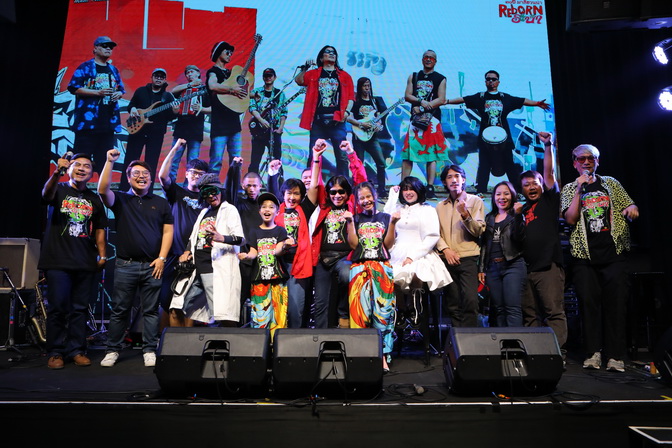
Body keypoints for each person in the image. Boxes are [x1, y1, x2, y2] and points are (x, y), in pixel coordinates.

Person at [560, 144, 639, 372]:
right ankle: (593, 353)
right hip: (584, 256)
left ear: (597, 161)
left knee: (616, 305)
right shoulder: (569, 188)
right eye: (581, 158)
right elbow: (570, 219)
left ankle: (615, 355)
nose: (586, 162)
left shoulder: (611, 183)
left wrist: (632, 209)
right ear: (574, 163)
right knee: (589, 305)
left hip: (613, 254)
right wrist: (579, 189)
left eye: (591, 158)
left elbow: (630, 204)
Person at [98, 149, 174, 368]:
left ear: (151, 178)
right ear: (128, 177)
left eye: (145, 174)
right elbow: (103, 190)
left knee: (151, 311)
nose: (141, 177)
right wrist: (109, 161)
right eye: (136, 174)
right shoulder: (121, 199)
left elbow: (168, 231)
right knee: (119, 310)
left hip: (153, 265)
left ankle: (149, 349)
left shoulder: (160, 202)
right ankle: (112, 349)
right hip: (126, 264)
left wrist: (162, 258)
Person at [39, 153, 108, 369]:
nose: (81, 168)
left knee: (80, 309)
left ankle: (77, 350)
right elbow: (45, 195)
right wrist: (56, 173)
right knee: (58, 308)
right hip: (57, 260)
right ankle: (56, 352)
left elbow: (100, 229)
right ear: (69, 169)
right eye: (77, 165)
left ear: (91, 173)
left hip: (85, 261)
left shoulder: (94, 199)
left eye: (87, 166)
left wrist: (103, 254)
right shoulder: (58, 189)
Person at [447, 70, 549, 194]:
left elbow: (522, 101)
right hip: (485, 138)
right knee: (484, 164)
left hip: (504, 138)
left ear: (498, 82)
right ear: (485, 82)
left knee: (509, 164)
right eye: (488, 79)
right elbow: (463, 99)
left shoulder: (505, 98)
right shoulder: (480, 97)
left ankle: (518, 192)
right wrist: (447, 101)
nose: (491, 81)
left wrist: (537, 103)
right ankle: (481, 191)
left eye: (493, 79)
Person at [309, 139, 367, 329]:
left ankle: (343, 315)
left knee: (345, 274)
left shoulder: (352, 205)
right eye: (333, 192)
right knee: (320, 303)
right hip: (323, 259)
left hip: (345, 257)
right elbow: (316, 185)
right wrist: (316, 157)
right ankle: (319, 337)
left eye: (341, 192)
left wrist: (351, 153)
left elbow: (361, 180)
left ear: (348, 193)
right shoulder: (324, 206)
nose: (337, 195)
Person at [175, 173, 245, 327]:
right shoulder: (204, 212)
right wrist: (187, 251)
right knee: (182, 304)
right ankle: (184, 339)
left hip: (214, 267)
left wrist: (222, 238)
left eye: (214, 191)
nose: (211, 196)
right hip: (196, 267)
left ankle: (228, 339)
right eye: (207, 193)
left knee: (220, 313)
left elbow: (240, 239)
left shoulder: (229, 210)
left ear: (220, 191)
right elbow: (194, 236)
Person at [520, 132, 567, 349]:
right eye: (526, 185)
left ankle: (555, 354)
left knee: (553, 312)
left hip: (548, 266)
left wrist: (548, 146)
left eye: (535, 183)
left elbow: (549, 173)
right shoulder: (522, 210)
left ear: (541, 185)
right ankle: (535, 353)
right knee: (530, 314)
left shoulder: (549, 200)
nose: (531, 187)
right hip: (527, 269)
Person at [383, 177, 452, 324]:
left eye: (412, 189)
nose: (408, 192)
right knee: (392, 276)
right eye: (405, 189)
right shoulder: (399, 209)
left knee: (417, 272)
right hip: (397, 252)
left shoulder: (427, 210)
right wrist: (393, 196)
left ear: (418, 190)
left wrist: (412, 256)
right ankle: (401, 311)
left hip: (421, 252)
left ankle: (415, 309)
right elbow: (387, 216)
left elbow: (432, 236)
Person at [344, 182, 396, 372]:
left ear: (374, 196)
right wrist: (350, 223)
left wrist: (393, 223)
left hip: (382, 267)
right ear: (357, 201)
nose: (366, 201)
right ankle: (362, 354)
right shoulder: (355, 218)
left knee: (383, 313)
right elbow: (353, 245)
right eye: (361, 198)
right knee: (360, 313)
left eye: (368, 196)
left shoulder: (385, 217)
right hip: (359, 268)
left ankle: (382, 355)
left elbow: (388, 245)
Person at [158, 138, 209, 327]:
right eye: (193, 172)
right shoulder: (177, 193)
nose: (196, 176)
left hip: (198, 256)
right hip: (175, 254)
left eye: (201, 174)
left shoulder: (209, 199)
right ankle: (167, 341)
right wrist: (175, 148)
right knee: (168, 300)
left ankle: (188, 341)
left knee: (192, 303)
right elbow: (163, 176)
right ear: (186, 174)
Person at [267, 160, 319, 328]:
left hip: (298, 265)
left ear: (302, 196)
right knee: (277, 305)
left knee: (296, 308)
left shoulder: (305, 209)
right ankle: (276, 338)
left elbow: (314, 187)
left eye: (296, 193)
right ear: (283, 194)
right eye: (289, 193)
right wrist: (272, 173)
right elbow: (271, 191)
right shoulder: (276, 209)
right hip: (278, 264)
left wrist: (316, 158)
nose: (292, 197)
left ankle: (294, 339)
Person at [435, 164, 486, 327]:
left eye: (457, 176)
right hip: (447, 259)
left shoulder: (475, 201)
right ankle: (457, 338)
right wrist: (446, 250)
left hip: (468, 258)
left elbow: (478, 231)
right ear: (444, 182)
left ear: (463, 179)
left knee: (470, 301)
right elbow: (435, 234)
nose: (454, 180)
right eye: (449, 177)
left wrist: (465, 214)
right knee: (453, 303)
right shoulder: (440, 206)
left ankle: (470, 338)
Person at [67, 36, 125, 172]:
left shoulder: (113, 70)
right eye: (105, 46)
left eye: (111, 47)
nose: (108, 49)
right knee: (81, 159)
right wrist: (97, 93)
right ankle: (77, 185)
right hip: (87, 124)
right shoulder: (85, 67)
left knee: (104, 162)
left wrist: (119, 93)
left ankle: (101, 186)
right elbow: (73, 88)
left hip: (107, 124)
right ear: (95, 49)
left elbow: (121, 89)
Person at [296, 45, 355, 177]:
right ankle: (311, 183)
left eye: (333, 52)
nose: (331, 54)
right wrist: (305, 69)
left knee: (342, 156)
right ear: (321, 58)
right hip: (318, 121)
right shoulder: (314, 73)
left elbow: (351, 97)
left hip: (337, 121)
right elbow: (299, 81)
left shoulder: (344, 76)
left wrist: (346, 112)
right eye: (327, 52)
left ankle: (344, 184)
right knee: (314, 155)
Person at [238, 192, 289, 336]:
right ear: (259, 211)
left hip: (278, 280)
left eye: (271, 207)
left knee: (279, 318)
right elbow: (253, 252)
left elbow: (278, 251)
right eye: (264, 207)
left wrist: (285, 246)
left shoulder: (280, 230)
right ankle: (261, 345)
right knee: (260, 318)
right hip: (259, 281)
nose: (267, 210)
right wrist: (247, 256)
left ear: (277, 212)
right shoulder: (254, 231)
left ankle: (277, 346)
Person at [120, 68, 178, 192]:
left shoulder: (167, 97)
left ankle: (148, 192)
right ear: (152, 78)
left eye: (161, 77)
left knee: (151, 163)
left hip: (156, 133)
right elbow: (131, 105)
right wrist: (133, 109)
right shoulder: (141, 91)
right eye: (156, 76)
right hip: (137, 131)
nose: (159, 79)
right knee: (130, 160)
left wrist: (175, 111)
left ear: (165, 80)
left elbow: (170, 117)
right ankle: (124, 190)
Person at [478, 181, 526, 327]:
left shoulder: (517, 216)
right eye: (498, 194)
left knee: (512, 308)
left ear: (512, 196)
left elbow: (519, 238)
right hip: (492, 268)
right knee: (498, 309)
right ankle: (503, 340)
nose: (502, 197)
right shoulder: (489, 218)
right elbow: (484, 245)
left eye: (506, 194)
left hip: (513, 265)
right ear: (494, 197)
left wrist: (518, 216)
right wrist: (481, 269)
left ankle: (515, 341)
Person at [402, 50, 448, 199]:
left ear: (435, 61)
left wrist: (422, 108)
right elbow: (407, 95)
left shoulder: (440, 78)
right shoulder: (414, 76)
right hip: (415, 120)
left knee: (431, 154)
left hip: (432, 120)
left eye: (431, 58)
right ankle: (403, 185)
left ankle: (430, 187)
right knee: (408, 153)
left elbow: (441, 99)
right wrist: (420, 101)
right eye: (426, 57)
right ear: (422, 60)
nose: (428, 59)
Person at [224, 161, 264, 323]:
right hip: (243, 262)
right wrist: (234, 168)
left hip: (262, 261)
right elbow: (229, 190)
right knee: (237, 300)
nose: (252, 189)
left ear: (260, 186)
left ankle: (261, 332)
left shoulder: (265, 207)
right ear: (243, 186)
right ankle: (234, 332)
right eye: (248, 186)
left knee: (261, 303)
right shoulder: (238, 205)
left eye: (255, 186)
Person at [206, 41, 247, 177]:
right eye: (227, 52)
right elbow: (212, 85)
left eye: (231, 53)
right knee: (216, 162)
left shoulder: (231, 73)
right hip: (220, 125)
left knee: (236, 161)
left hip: (234, 124)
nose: (230, 55)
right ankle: (212, 187)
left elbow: (238, 91)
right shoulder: (213, 72)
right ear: (219, 53)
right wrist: (231, 89)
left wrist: (251, 95)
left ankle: (235, 188)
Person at [346, 77, 388, 198]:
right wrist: (361, 124)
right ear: (360, 87)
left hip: (372, 137)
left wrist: (379, 125)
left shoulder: (375, 101)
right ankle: (358, 189)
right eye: (364, 86)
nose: (367, 88)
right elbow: (348, 117)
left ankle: (381, 189)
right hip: (358, 137)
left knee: (381, 163)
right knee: (358, 164)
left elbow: (379, 117)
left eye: (368, 86)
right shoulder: (355, 101)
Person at [168, 65, 211, 181]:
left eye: (192, 72)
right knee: (174, 159)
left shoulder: (205, 90)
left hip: (195, 129)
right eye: (187, 73)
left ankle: (189, 186)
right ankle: (171, 185)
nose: (189, 74)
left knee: (193, 162)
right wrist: (190, 85)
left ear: (198, 74)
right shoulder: (183, 88)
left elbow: (214, 108)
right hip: (181, 128)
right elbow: (173, 91)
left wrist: (201, 108)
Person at [248, 68, 287, 175]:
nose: (268, 78)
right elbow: (252, 108)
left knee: (276, 161)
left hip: (274, 131)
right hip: (258, 131)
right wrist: (261, 120)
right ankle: (251, 182)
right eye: (266, 76)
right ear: (263, 78)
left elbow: (284, 113)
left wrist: (280, 128)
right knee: (255, 161)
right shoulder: (256, 92)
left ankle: (277, 183)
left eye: (270, 76)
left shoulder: (280, 94)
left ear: (274, 77)